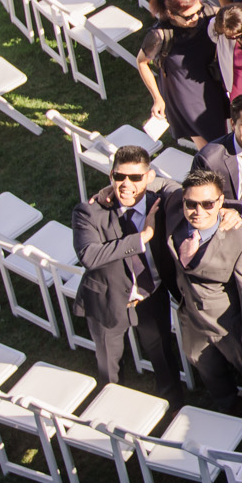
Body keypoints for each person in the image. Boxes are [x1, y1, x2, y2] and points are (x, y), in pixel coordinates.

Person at [72, 145, 186, 403]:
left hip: (151, 295)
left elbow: (189, 193)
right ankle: (111, 412)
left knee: (163, 357)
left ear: (149, 177)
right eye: (119, 176)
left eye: (135, 177)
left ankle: (174, 407)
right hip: (107, 299)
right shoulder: (88, 211)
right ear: (111, 175)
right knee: (109, 366)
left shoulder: (161, 201)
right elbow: (90, 256)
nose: (126, 184)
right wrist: (142, 237)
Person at [166, 167, 242, 419]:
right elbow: (157, 182)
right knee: (205, 365)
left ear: (220, 202)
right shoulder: (174, 211)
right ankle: (228, 405)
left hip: (229, 322)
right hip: (191, 318)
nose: (199, 211)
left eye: (207, 204)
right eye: (191, 204)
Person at [137, 0, 226, 146]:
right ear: (171, 14)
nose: (196, 18)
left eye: (198, 11)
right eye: (188, 16)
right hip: (184, 92)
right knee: (210, 144)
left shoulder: (207, 13)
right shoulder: (159, 35)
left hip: (212, 82)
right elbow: (141, 62)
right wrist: (157, 98)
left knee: (225, 133)